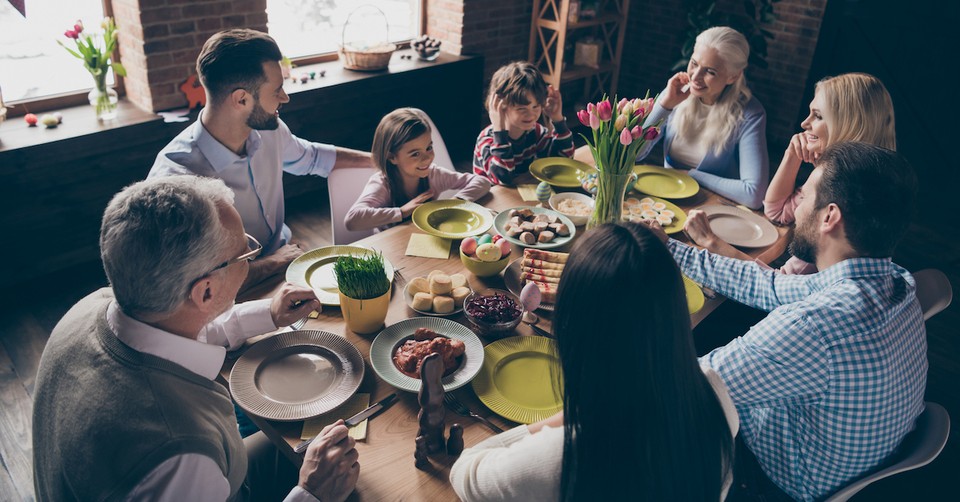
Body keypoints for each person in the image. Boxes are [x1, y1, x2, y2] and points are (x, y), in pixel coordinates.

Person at [32, 176, 360, 502]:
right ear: (205, 291)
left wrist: (268, 315)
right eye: (244, 256)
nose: (250, 256)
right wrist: (311, 494)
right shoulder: (180, 458)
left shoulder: (96, 307)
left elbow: (181, 331)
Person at [644, 142, 926, 501]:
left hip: (768, 484)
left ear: (830, 216)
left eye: (804, 195)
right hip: (849, 468)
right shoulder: (896, 282)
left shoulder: (814, 327)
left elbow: (680, 388)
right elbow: (773, 286)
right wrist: (669, 249)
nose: (796, 206)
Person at [449, 223, 738, 501]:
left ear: (574, 324)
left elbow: (467, 473)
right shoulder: (712, 387)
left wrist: (575, 415)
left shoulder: (564, 455)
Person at [149, 29, 372, 288]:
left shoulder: (270, 129)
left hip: (287, 263)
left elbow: (310, 157)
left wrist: (379, 160)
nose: (285, 98)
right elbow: (197, 286)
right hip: (230, 297)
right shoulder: (175, 177)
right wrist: (273, 262)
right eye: (277, 90)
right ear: (241, 99)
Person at [684, 72, 896, 275]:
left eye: (818, 116)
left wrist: (709, 241)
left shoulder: (841, 197)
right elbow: (778, 212)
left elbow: (778, 285)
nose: (805, 124)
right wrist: (791, 155)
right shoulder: (863, 181)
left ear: (848, 124)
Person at [635, 27, 768, 208]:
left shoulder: (751, 114)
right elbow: (634, 154)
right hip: (666, 199)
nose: (695, 77)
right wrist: (665, 105)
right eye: (694, 63)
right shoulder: (676, 92)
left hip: (713, 208)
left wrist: (691, 175)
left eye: (710, 72)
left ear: (733, 76)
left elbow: (753, 194)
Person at [344, 108, 490, 231]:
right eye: (415, 154)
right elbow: (352, 220)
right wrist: (402, 212)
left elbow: (482, 182)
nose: (427, 158)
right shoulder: (383, 184)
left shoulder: (434, 175)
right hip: (389, 248)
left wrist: (456, 202)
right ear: (392, 157)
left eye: (429, 148)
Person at [473, 61, 575, 185]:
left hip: (520, 197)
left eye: (536, 106)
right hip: (492, 201)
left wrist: (557, 119)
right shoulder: (487, 139)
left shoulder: (536, 131)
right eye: (522, 108)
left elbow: (563, 161)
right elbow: (502, 179)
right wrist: (499, 131)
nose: (531, 115)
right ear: (500, 106)